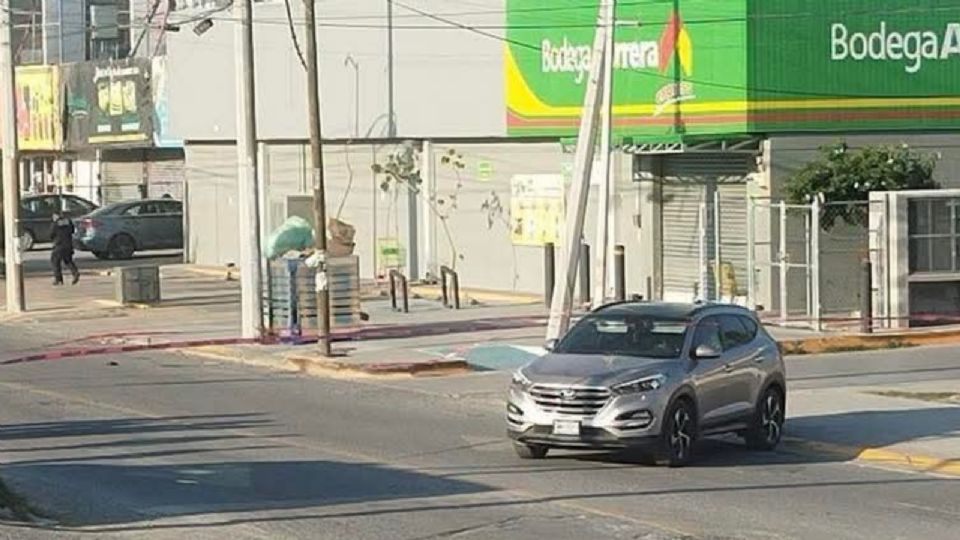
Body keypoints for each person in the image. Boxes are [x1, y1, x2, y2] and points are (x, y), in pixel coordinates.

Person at [49, 212, 79, 286]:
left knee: (55, 261)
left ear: (56, 216)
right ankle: (75, 273)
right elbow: (72, 230)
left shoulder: (55, 223)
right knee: (68, 260)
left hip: (59, 245)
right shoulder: (68, 221)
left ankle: (58, 279)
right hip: (69, 244)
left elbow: (51, 234)